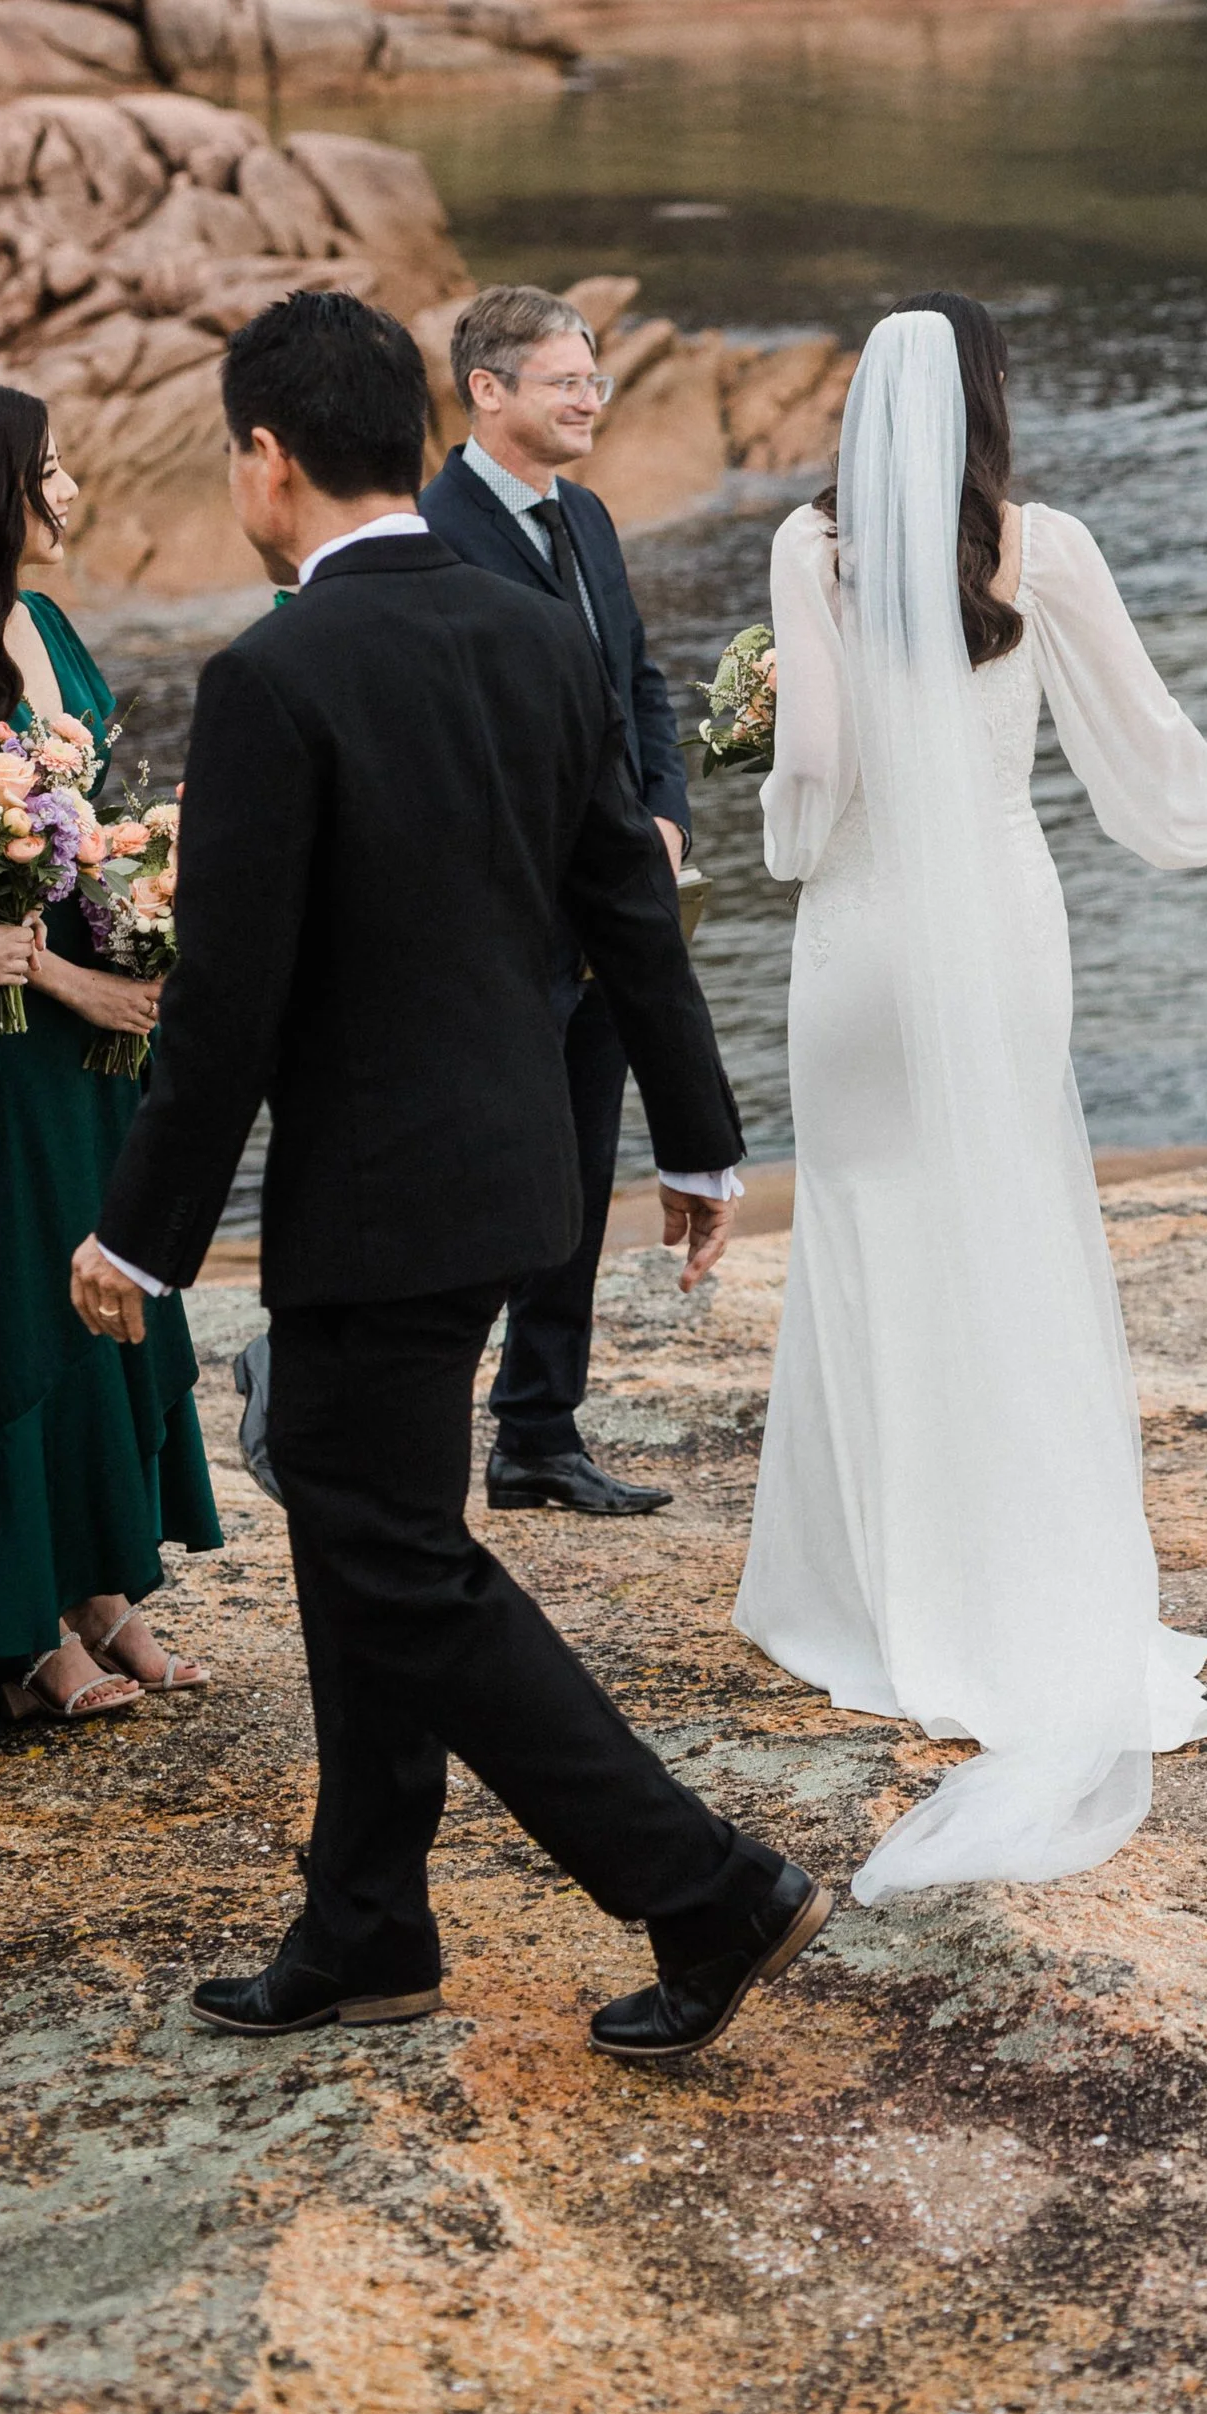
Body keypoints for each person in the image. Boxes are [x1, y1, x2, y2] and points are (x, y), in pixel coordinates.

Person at [68, 292, 825, 2064]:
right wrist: (698, 1136)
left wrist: (140, 1237)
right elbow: (629, 903)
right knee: (374, 1544)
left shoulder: (272, 676)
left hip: (378, 1205)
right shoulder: (529, 628)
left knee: (391, 1553)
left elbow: (232, 1012)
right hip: (513, 1179)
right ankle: (368, 1925)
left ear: (265, 458)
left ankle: (700, 1880)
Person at [736, 295, 1207, 1898]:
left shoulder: (807, 549)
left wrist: (771, 814)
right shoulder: (1049, 552)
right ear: (990, 403)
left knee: (869, 1242)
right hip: (1005, 937)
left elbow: (812, 776)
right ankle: (1031, 1587)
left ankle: (885, 1594)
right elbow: (1149, 756)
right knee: (1013, 1233)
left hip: (866, 951)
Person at [419, 286, 695, 1521]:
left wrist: (664, 815)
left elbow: (636, 679)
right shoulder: (432, 531)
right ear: (488, 391)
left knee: (582, 1176)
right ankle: (371, 1390)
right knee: (494, 1182)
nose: (590, 399)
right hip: (501, 921)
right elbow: (450, 746)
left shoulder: (584, 515)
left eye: (596, 380)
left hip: (608, 913)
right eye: (565, 382)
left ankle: (537, 1430)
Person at [0, 388, 219, 1743]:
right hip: (6, 1039)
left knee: (106, 1286)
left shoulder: (54, 625)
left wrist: (148, 901)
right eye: (47, 470)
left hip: (94, 1029)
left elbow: (91, 827)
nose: (69, 492)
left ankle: (104, 1588)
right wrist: (67, 975)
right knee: (23, 1305)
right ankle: (27, 1622)